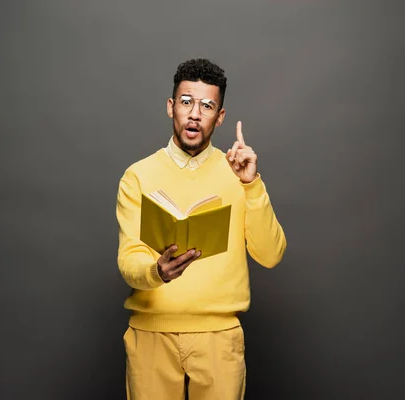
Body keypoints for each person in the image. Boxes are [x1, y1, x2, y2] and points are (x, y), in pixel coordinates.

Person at [115, 58, 287, 400]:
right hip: (151, 336)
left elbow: (271, 255)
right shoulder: (138, 175)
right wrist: (156, 272)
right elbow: (129, 261)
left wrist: (251, 185)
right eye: (186, 102)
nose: (195, 113)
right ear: (171, 107)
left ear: (219, 117)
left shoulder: (238, 174)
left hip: (219, 337)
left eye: (207, 105)